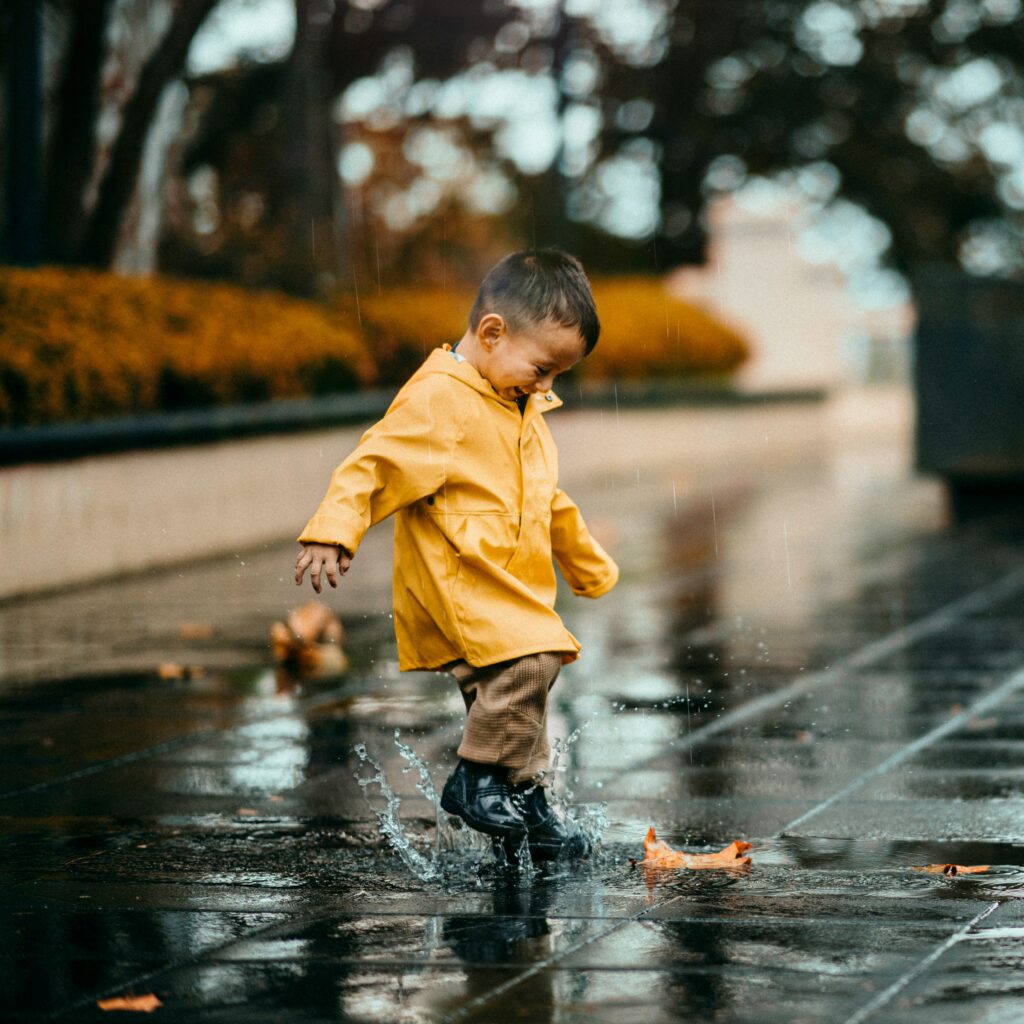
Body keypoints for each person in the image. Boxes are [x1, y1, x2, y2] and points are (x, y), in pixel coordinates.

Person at [294, 248, 619, 860]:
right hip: (461, 584)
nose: (548, 387)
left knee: (519, 704)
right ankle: (476, 782)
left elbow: (547, 499)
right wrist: (334, 529)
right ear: (493, 332)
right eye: (543, 368)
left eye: (558, 376)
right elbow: (376, 461)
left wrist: (586, 563)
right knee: (535, 658)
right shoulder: (441, 399)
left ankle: (525, 807)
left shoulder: (517, 405)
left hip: (503, 588)